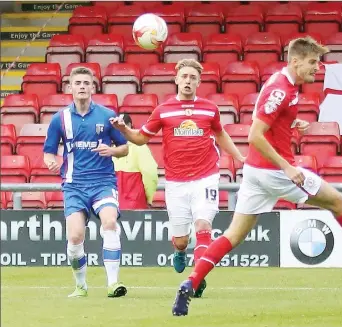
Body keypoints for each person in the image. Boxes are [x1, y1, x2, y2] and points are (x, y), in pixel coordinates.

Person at [171, 37, 342, 316]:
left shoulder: (283, 84)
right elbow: (255, 136)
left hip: (254, 172)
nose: (318, 68)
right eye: (312, 62)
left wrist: (290, 123)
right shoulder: (281, 89)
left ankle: (190, 282)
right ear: (295, 61)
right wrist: (287, 168)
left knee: (233, 235)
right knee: (336, 200)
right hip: (275, 171)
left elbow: (269, 120)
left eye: (319, 62)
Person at [110, 59, 245, 299]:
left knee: (203, 226)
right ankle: (180, 252)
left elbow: (221, 134)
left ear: (199, 82)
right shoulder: (163, 110)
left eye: (193, 77)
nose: (188, 81)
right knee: (182, 240)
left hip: (206, 178)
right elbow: (141, 138)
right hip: (176, 182)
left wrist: (239, 157)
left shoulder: (209, 109)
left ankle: (196, 277)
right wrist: (124, 131)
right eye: (184, 77)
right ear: (176, 79)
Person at [43, 66, 129, 298]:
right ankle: (81, 285)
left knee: (109, 223)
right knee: (75, 237)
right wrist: (51, 162)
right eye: (77, 83)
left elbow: (125, 148)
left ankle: (113, 283)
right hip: (74, 185)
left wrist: (111, 151)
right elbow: (48, 153)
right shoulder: (59, 119)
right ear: (69, 88)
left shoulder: (107, 115)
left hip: (103, 182)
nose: (82, 87)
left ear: (93, 87)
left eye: (86, 83)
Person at [113, 113, 158, 210]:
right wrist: (149, 199)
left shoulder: (108, 148)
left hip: (111, 208)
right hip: (135, 210)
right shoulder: (141, 147)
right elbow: (151, 175)